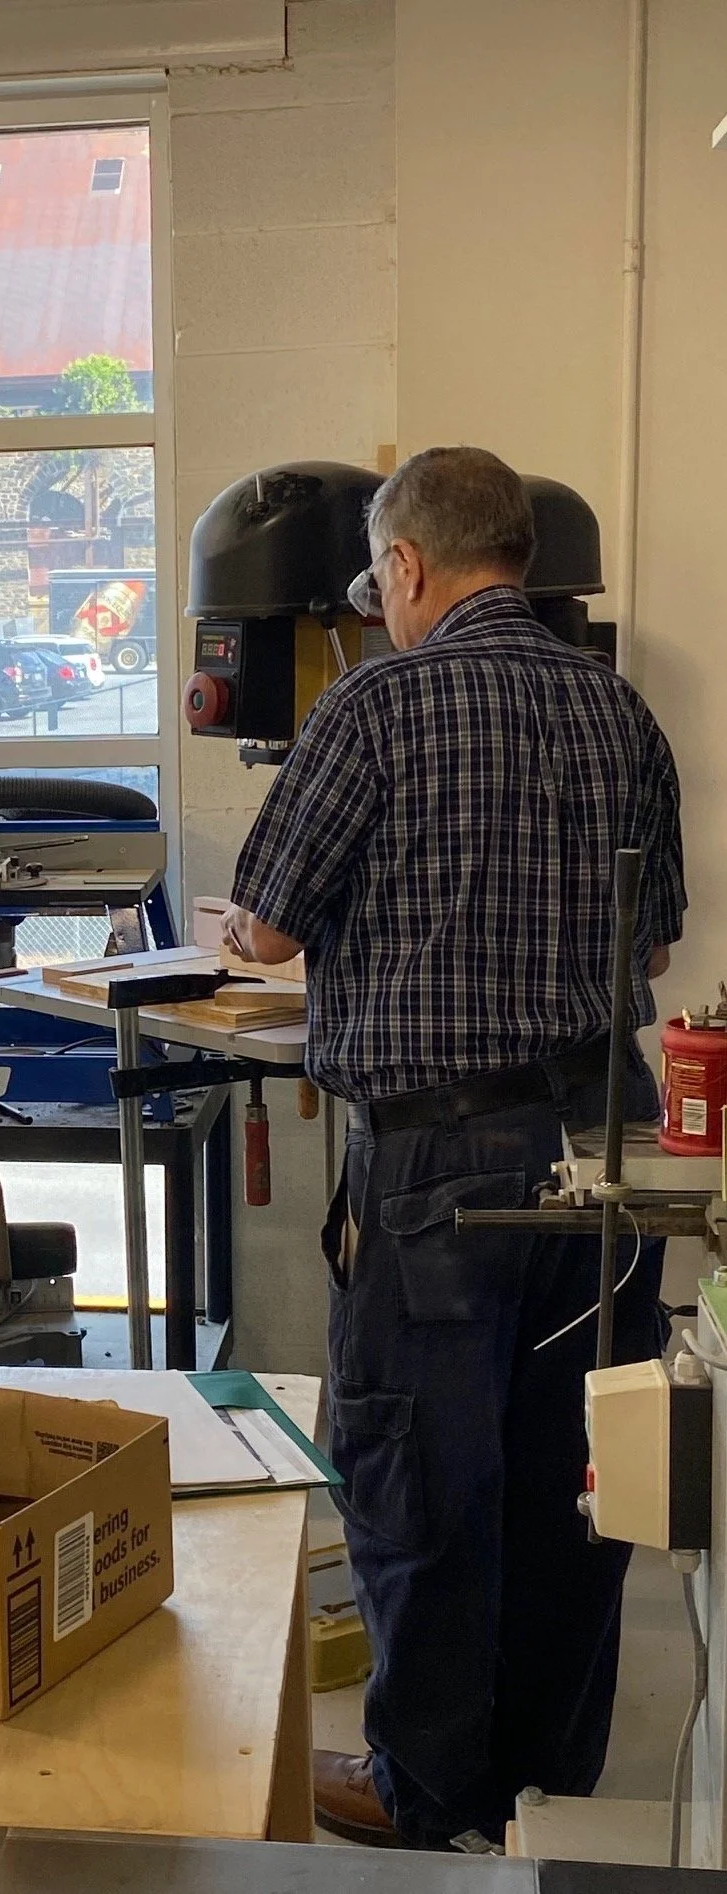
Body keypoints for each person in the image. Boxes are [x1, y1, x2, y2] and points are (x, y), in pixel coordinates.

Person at [222, 446, 685, 1851]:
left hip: (439, 1158)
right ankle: (550, 1770)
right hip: (610, 1138)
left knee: (420, 1466)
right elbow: (652, 935)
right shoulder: (618, 711)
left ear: (408, 565)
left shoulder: (378, 703)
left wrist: (262, 931)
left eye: (377, 583)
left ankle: (425, 1784)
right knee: (578, 1466)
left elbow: (271, 927)